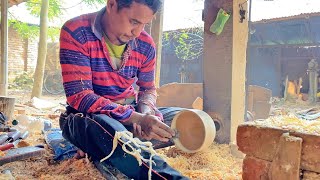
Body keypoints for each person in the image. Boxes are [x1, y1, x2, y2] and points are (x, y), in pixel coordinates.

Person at [59, 0, 187, 179]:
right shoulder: (77, 31)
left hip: (131, 113)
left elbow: (148, 89)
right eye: (134, 21)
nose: (138, 31)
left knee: (184, 120)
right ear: (112, 5)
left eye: (144, 24)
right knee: (107, 129)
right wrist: (134, 118)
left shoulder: (145, 44)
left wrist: (146, 114)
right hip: (86, 117)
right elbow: (79, 96)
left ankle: (112, 148)